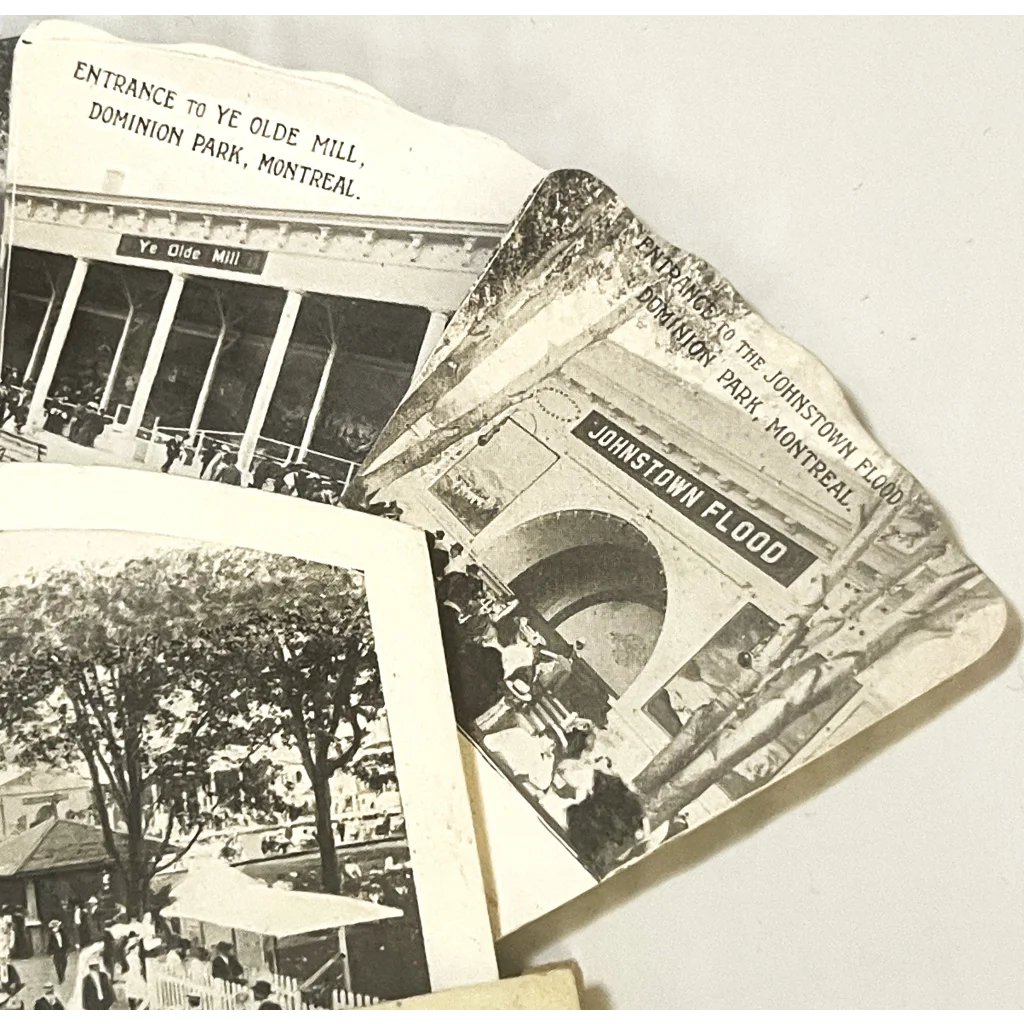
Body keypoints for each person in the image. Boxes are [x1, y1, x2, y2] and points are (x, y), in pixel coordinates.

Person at [46, 920, 70, 984]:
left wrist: (67, 948)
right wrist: (50, 952)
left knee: (64, 963)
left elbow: (65, 940)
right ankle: (60, 977)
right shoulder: (52, 935)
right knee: (57, 965)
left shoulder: (62, 932)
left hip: (62, 950)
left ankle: (62, 973)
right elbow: (50, 944)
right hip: (56, 951)